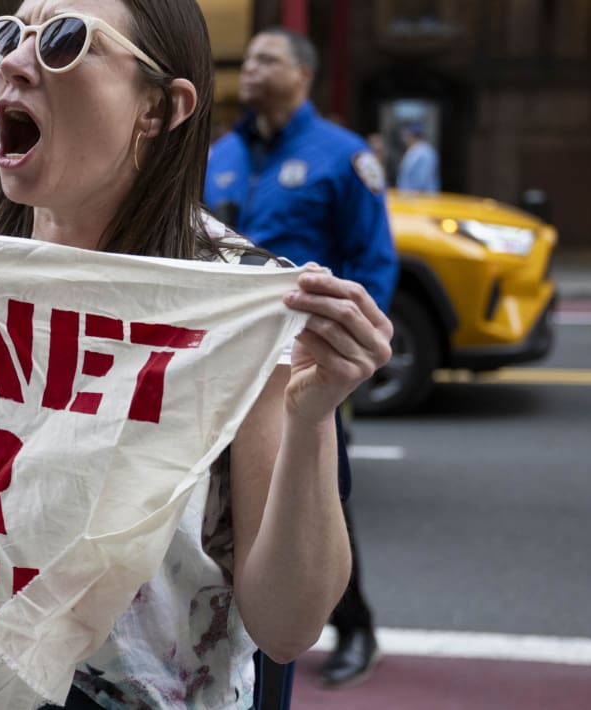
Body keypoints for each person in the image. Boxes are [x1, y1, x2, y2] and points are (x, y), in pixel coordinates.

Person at [0, 2, 391, 708]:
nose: (13, 62)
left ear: (158, 109)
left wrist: (312, 418)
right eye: (9, 34)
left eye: (63, 40)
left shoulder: (239, 307)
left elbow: (289, 626)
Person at [204, 27, 398, 694]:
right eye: (248, 56)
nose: (250, 67)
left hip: (305, 371)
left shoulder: (342, 157)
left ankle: (356, 626)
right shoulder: (221, 154)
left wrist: (348, 351)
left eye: (268, 58)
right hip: (224, 370)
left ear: (305, 75)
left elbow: (374, 259)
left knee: (312, 507)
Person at [396, 122, 439, 193]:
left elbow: (421, 181)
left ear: (411, 135)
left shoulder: (425, 152)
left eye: (405, 135)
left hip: (421, 200)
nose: (403, 138)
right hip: (410, 200)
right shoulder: (412, 150)